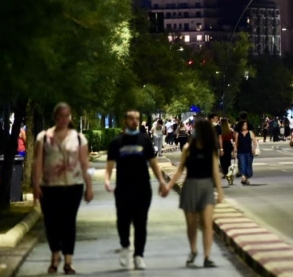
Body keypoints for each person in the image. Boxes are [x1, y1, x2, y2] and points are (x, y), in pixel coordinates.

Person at [33, 103, 93, 275]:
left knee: (68, 222)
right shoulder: (43, 137)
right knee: (51, 223)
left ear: (70, 117)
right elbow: (38, 162)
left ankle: (68, 261)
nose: (64, 120)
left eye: (67, 116)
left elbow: (84, 163)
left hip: (72, 186)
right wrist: (35, 184)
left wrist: (89, 186)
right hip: (49, 187)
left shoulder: (79, 138)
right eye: (60, 116)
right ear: (55, 117)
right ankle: (54, 256)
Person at [105, 110, 166, 270]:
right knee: (123, 221)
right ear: (125, 120)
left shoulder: (144, 140)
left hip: (143, 188)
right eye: (131, 118)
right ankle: (125, 246)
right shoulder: (117, 142)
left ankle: (139, 255)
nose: (134, 121)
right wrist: (106, 180)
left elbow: (153, 163)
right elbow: (110, 166)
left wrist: (161, 181)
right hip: (123, 188)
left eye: (137, 119)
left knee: (141, 222)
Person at [164, 118, 223, 268]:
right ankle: (193, 250)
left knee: (207, 223)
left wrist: (220, 192)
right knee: (191, 224)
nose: (194, 131)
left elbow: (216, 172)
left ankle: (207, 256)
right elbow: (180, 169)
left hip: (207, 187)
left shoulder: (211, 149)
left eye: (197, 129)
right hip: (190, 186)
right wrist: (169, 185)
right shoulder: (187, 149)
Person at [233, 121, 257, 185]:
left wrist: (254, 149)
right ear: (241, 126)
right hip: (241, 152)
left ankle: (246, 178)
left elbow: (255, 142)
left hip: (249, 152)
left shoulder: (250, 133)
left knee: (248, 166)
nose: (245, 126)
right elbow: (236, 143)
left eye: (246, 125)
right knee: (242, 165)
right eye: (243, 125)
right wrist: (234, 152)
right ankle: (243, 177)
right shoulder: (238, 133)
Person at [219, 119, 235, 185]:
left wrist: (221, 148)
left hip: (222, 144)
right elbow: (233, 138)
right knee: (228, 159)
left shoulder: (220, 130)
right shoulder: (230, 130)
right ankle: (228, 172)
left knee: (222, 159)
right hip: (229, 145)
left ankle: (224, 171)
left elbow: (220, 139)